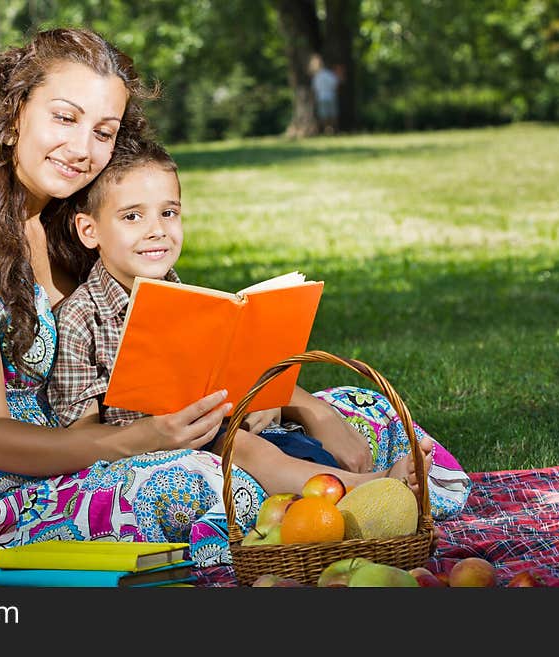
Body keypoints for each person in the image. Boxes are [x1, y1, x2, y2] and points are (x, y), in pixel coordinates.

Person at [0, 27, 286, 570]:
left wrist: (245, 396)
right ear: (11, 118)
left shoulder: (64, 223)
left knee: (361, 411)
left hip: (92, 455)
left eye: (104, 132)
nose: (83, 149)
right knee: (198, 482)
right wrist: (143, 440)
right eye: (64, 117)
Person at [47, 137, 470, 519]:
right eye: (132, 216)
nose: (156, 230)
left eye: (169, 212)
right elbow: (81, 433)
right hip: (155, 451)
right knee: (246, 450)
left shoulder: (185, 296)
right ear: (89, 230)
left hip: (226, 429)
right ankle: (370, 490)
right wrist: (157, 434)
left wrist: (259, 398)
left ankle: (356, 496)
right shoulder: (83, 317)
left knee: (292, 434)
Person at [309, 54, 339, 135]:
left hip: (321, 97)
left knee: (324, 116)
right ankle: (332, 130)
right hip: (331, 96)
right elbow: (335, 84)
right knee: (332, 115)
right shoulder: (329, 74)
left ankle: (327, 130)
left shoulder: (317, 76)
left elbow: (314, 89)